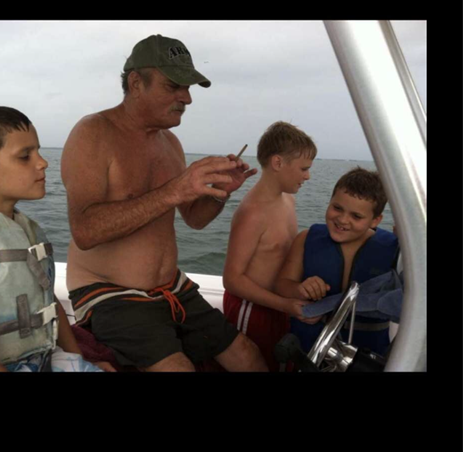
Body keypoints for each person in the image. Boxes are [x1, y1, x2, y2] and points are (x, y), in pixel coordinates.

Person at [62, 33, 269, 372]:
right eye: (174, 86)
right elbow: (85, 230)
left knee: (248, 355)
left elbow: (195, 218)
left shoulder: (170, 143)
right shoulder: (92, 133)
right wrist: (175, 190)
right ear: (135, 82)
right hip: (110, 293)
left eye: (188, 88)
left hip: (172, 287)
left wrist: (220, 193)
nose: (186, 97)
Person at [0, 105, 109, 372]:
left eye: (37, 150)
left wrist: (80, 362)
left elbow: (48, 302)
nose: (43, 162)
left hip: (43, 358)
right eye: (25, 156)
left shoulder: (27, 230)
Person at [223, 121, 319, 371]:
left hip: (278, 306)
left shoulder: (288, 199)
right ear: (278, 163)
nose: (308, 176)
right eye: (303, 169)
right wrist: (285, 305)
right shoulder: (253, 213)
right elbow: (232, 279)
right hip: (251, 310)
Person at [274, 167, 399, 358]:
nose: (342, 219)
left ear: (376, 220)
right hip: (308, 350)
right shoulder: (306, 238)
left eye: (356, 216)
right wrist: (300, 288)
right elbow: (282, 285)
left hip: (367, 355)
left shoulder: (394, 249)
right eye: (337, 208)